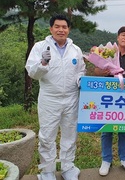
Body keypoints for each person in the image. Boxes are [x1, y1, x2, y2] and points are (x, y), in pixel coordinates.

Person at [25, 14, 86, 180]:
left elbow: (81, 70)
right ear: (51, 28)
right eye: (57, 27)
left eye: (64, 27)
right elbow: (32, 72)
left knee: (70, 134)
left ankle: (68, 167)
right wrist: (42, 64)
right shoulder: (40, 47)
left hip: (72, 98)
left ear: (69, 29)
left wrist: (81, 79)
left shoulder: (75, 49)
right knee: (47, 136)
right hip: (49, 98)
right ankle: (47, 171)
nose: (61, 30)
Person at [94, 25, 125, 176]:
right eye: (123, 35)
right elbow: (96, 72)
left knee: (124, 129)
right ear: (118, 37)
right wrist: (103, 71)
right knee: (106, 130)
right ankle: (106, 160)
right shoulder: (108, 53)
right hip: (108, 99)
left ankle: (124, 158)